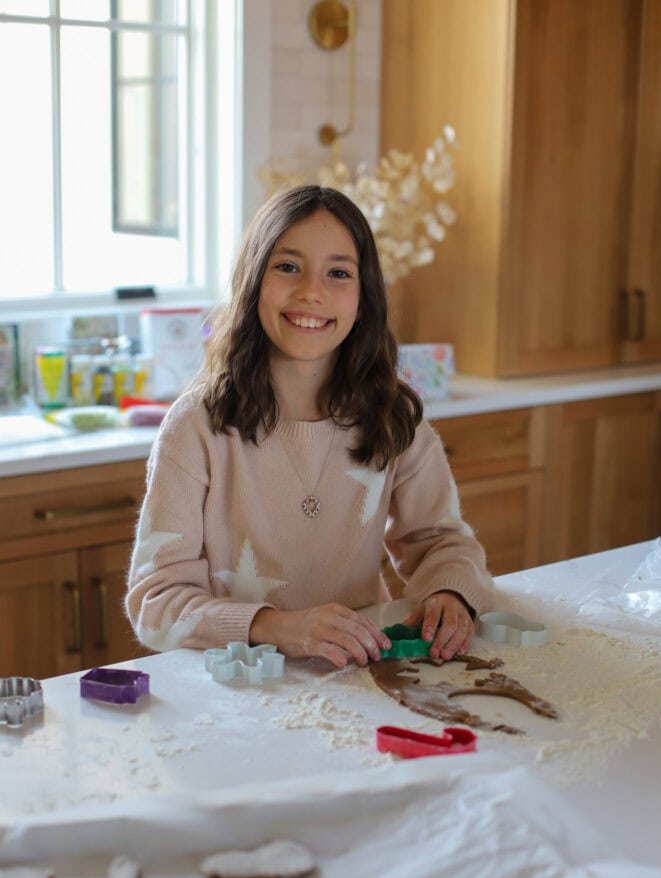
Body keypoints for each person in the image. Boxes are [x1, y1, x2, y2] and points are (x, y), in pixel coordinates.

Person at [126, 185, 494, 669]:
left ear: (364, 298)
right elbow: (156, 602)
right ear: (253, 281)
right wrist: (277, 627)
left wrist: (451, 592)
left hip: (361, 677)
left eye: (338, 273)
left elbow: (442, 541)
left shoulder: (394, 416)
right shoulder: (196, 427)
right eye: (287, 267)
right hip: (237, 684)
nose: (311, 292)